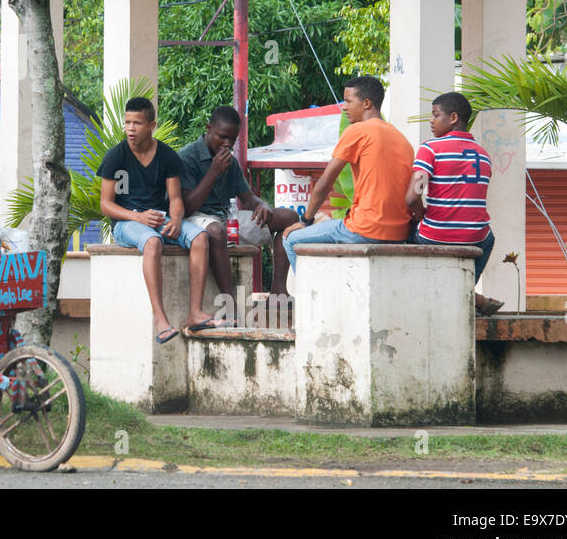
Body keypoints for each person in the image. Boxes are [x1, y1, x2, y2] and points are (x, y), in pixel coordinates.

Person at [99, 96, 223, 342]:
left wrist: (176, 219)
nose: (131, 129)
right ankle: (160, 319)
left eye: (137, 123)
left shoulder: (166, 155)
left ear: (152, 125)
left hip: (159, 217)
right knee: (153, 242)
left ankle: (195, 313)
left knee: (199, 237)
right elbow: (105, 204)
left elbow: (176, 198)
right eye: (127, 123)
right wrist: (137, 216)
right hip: (126, 223)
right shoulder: (116, 156)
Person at [279, 77, 414, 290]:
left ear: (366, 103)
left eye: (348, 101)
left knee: (292, 239)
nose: (344, 108)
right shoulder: (401, 138)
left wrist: (305, 220)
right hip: (399, 233)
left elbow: (326, 181)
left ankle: (314, 302)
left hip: (364, 230)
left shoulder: (357, 131)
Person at [179, 105, 300, 305]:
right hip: (196, 219)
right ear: (208, 129)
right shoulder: (187, 158)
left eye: (232, 139)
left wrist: (262, 205)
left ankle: (278, 292)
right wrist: (214, 171)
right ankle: (230, 303)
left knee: (289, 218)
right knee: (217, 231)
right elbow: (187, 207)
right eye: (222, 137)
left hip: (227, 217)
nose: (227, 144)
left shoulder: (230, 161)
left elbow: (248, 197)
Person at [406, 92, 501, 315]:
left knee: (402, 235)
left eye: (436, 114)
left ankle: (464, 295)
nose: (431, 120)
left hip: (435, 235)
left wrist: (419, 212)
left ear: (453, 117)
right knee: (489, 238)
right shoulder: (483, 155)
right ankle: (470, 294)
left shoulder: (430, 149)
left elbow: (411, 197)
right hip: (476, 236)